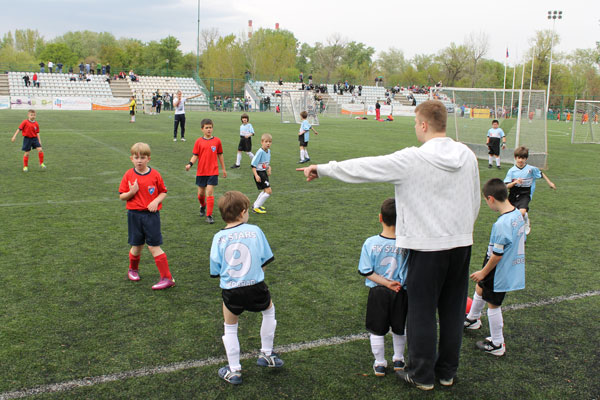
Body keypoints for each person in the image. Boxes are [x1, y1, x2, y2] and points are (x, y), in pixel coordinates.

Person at [298, 100, 480, 391]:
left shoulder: (413, 158)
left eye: (415, 123)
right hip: (461, 245)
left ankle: (422, 375)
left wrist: (323, 169)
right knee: (453, 310)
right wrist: (461, 232)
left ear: (423, 124)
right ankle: (446, 373)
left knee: (421, 311)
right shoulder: (467, 155)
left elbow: (366, 167)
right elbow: (475, 201)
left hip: (425, 248)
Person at [210, 191, 282, 385]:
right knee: (269, 311)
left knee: (230, 326)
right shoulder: (255, 231)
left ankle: (234, 370)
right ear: (243, 212)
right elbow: (265, 260)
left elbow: (216, 270)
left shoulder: (218, 237)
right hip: (256, 285)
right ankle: (267, 354)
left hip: (232, 289)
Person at [464, 178, 526, 356]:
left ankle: (497, 343)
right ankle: (473, 319)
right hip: (501, 266)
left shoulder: (501, 224)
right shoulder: (516, 215)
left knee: (493, 304)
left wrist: (484, 272)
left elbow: (498, 255)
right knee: (481, 288)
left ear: (491, 199)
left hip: (498, 270)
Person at [358, 198, 409, 377]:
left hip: (378, 292)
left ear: (380, 217)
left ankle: (379, 363)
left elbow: (365, 271)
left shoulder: (370, 243)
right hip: (400, 291)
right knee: (399, 327)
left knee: (377, 330)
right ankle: (399, 359)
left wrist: (385, 282)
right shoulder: (406, 244)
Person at [118, 142, 174, 290]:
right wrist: (132, 192)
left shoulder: (155, 174)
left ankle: (167, 278)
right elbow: (122, 196)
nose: (139, 160)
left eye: (142, 157)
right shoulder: (128, 175)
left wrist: (156, 201)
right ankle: (133, 270)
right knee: (136, 246)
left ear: (148, 158)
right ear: (131, 158)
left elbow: (163, 191)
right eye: (136, 157)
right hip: (134, 216)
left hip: (151, 217)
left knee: (154, 247)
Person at [503, 146, 556, 235]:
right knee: (512, 215)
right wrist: (515, 182)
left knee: (521, 213)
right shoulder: (511, 171)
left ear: (526, 159)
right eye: (519, 158)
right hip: (513, 193)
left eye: (523, 158)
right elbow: (507, 186)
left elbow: (541, 174)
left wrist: (550, 183)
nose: (520, 160)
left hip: (525, 194)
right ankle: (522, 221)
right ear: (515, 158)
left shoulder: (531, 169)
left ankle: (523, 225)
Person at [185, 119, 227, 224]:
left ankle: (209, 215)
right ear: (202, 129)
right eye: (206, 128)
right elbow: (195, 155)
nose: (209, 129)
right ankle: (202, 206)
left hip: (213, 171)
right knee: (200, 194)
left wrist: (223, 169)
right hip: (201, 171)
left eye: (210, 127)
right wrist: (190, 164)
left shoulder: (217, 141)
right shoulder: (198, 141)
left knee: (209, 192)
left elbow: (220, 155)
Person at [250, 134, 273, 214]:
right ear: (261, 142)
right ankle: (256, 207)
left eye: (270, 142)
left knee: (265, 190)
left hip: (263, 172)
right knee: (269, 191)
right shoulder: (260, 152)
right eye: (266, 142)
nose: (268, 143)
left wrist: (269, 168)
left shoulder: (268, 151)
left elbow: (266, 164)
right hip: (259, 173)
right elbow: (253, 165)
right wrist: (256, 175)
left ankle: (255, 205)